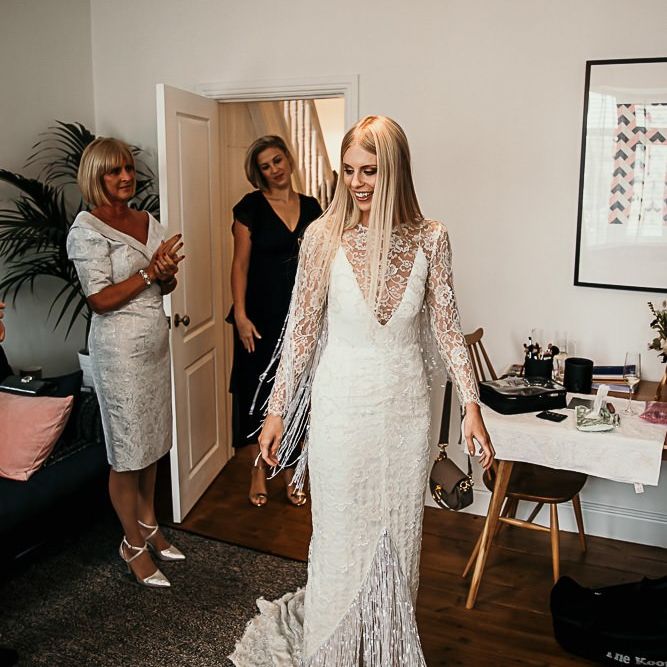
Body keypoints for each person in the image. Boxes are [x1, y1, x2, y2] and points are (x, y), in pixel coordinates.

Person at [230, 116, 495, 665]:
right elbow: (301, 332)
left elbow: (447, 327)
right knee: (337, 539)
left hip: (405, 413)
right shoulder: (322, 236)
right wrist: (276, 412)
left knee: (398, 537)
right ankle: (331, 651)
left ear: (394, 169)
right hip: (340, 409)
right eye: (349, 170)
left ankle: (384, 649)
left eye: (369, 170)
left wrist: (471, 405)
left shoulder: (431, 238)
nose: (357, 182)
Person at [66, 138, 185, 588]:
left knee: (151, 443)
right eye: (114, 171)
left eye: (129, 169)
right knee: (127, 452)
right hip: (119, 353)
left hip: (154, 345)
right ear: (96, 177)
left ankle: (150, 524)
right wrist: (150, 272)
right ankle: (132, 543)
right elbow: (98, 299)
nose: (126, 177)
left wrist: (165, 275)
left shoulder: (146, 220)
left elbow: (162, 287)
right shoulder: (87, 230)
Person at [229, 135, 322, 507]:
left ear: (289, 160)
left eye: (277, 160)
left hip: (300, 319)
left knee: (297, 392)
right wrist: (240, 315)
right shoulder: (249, 207)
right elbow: (239, 265)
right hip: (258, 318)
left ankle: (290, 469)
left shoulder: (312, 208)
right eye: (265, 166)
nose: (274, 170)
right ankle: (257, 468)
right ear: (259, 172)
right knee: (259, 394)